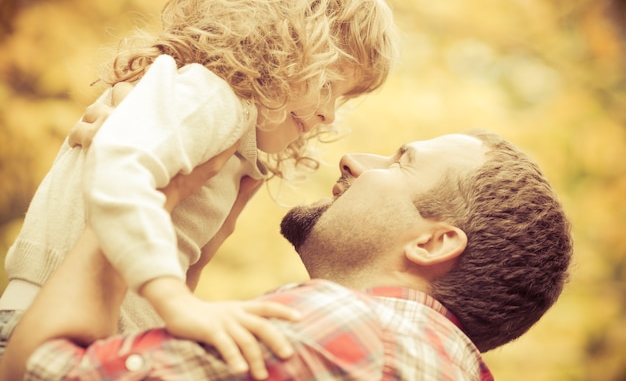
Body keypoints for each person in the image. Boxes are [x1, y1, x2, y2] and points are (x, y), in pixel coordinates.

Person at [0, 0, 397, 376]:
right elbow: (120, 170)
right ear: (278, 47)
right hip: (43, 325)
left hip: (92, 339)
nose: (329, 115)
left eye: (344, 100)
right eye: (329, 84)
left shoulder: (232, 138)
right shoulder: (212, 95)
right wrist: (175, 301)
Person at [0, 130, 573, 381]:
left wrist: (135, 192)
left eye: (401, 162)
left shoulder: (347, 330)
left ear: (431, 243)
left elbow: (35, 372)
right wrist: (186, 249)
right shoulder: (437, 361)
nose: (353, 160)